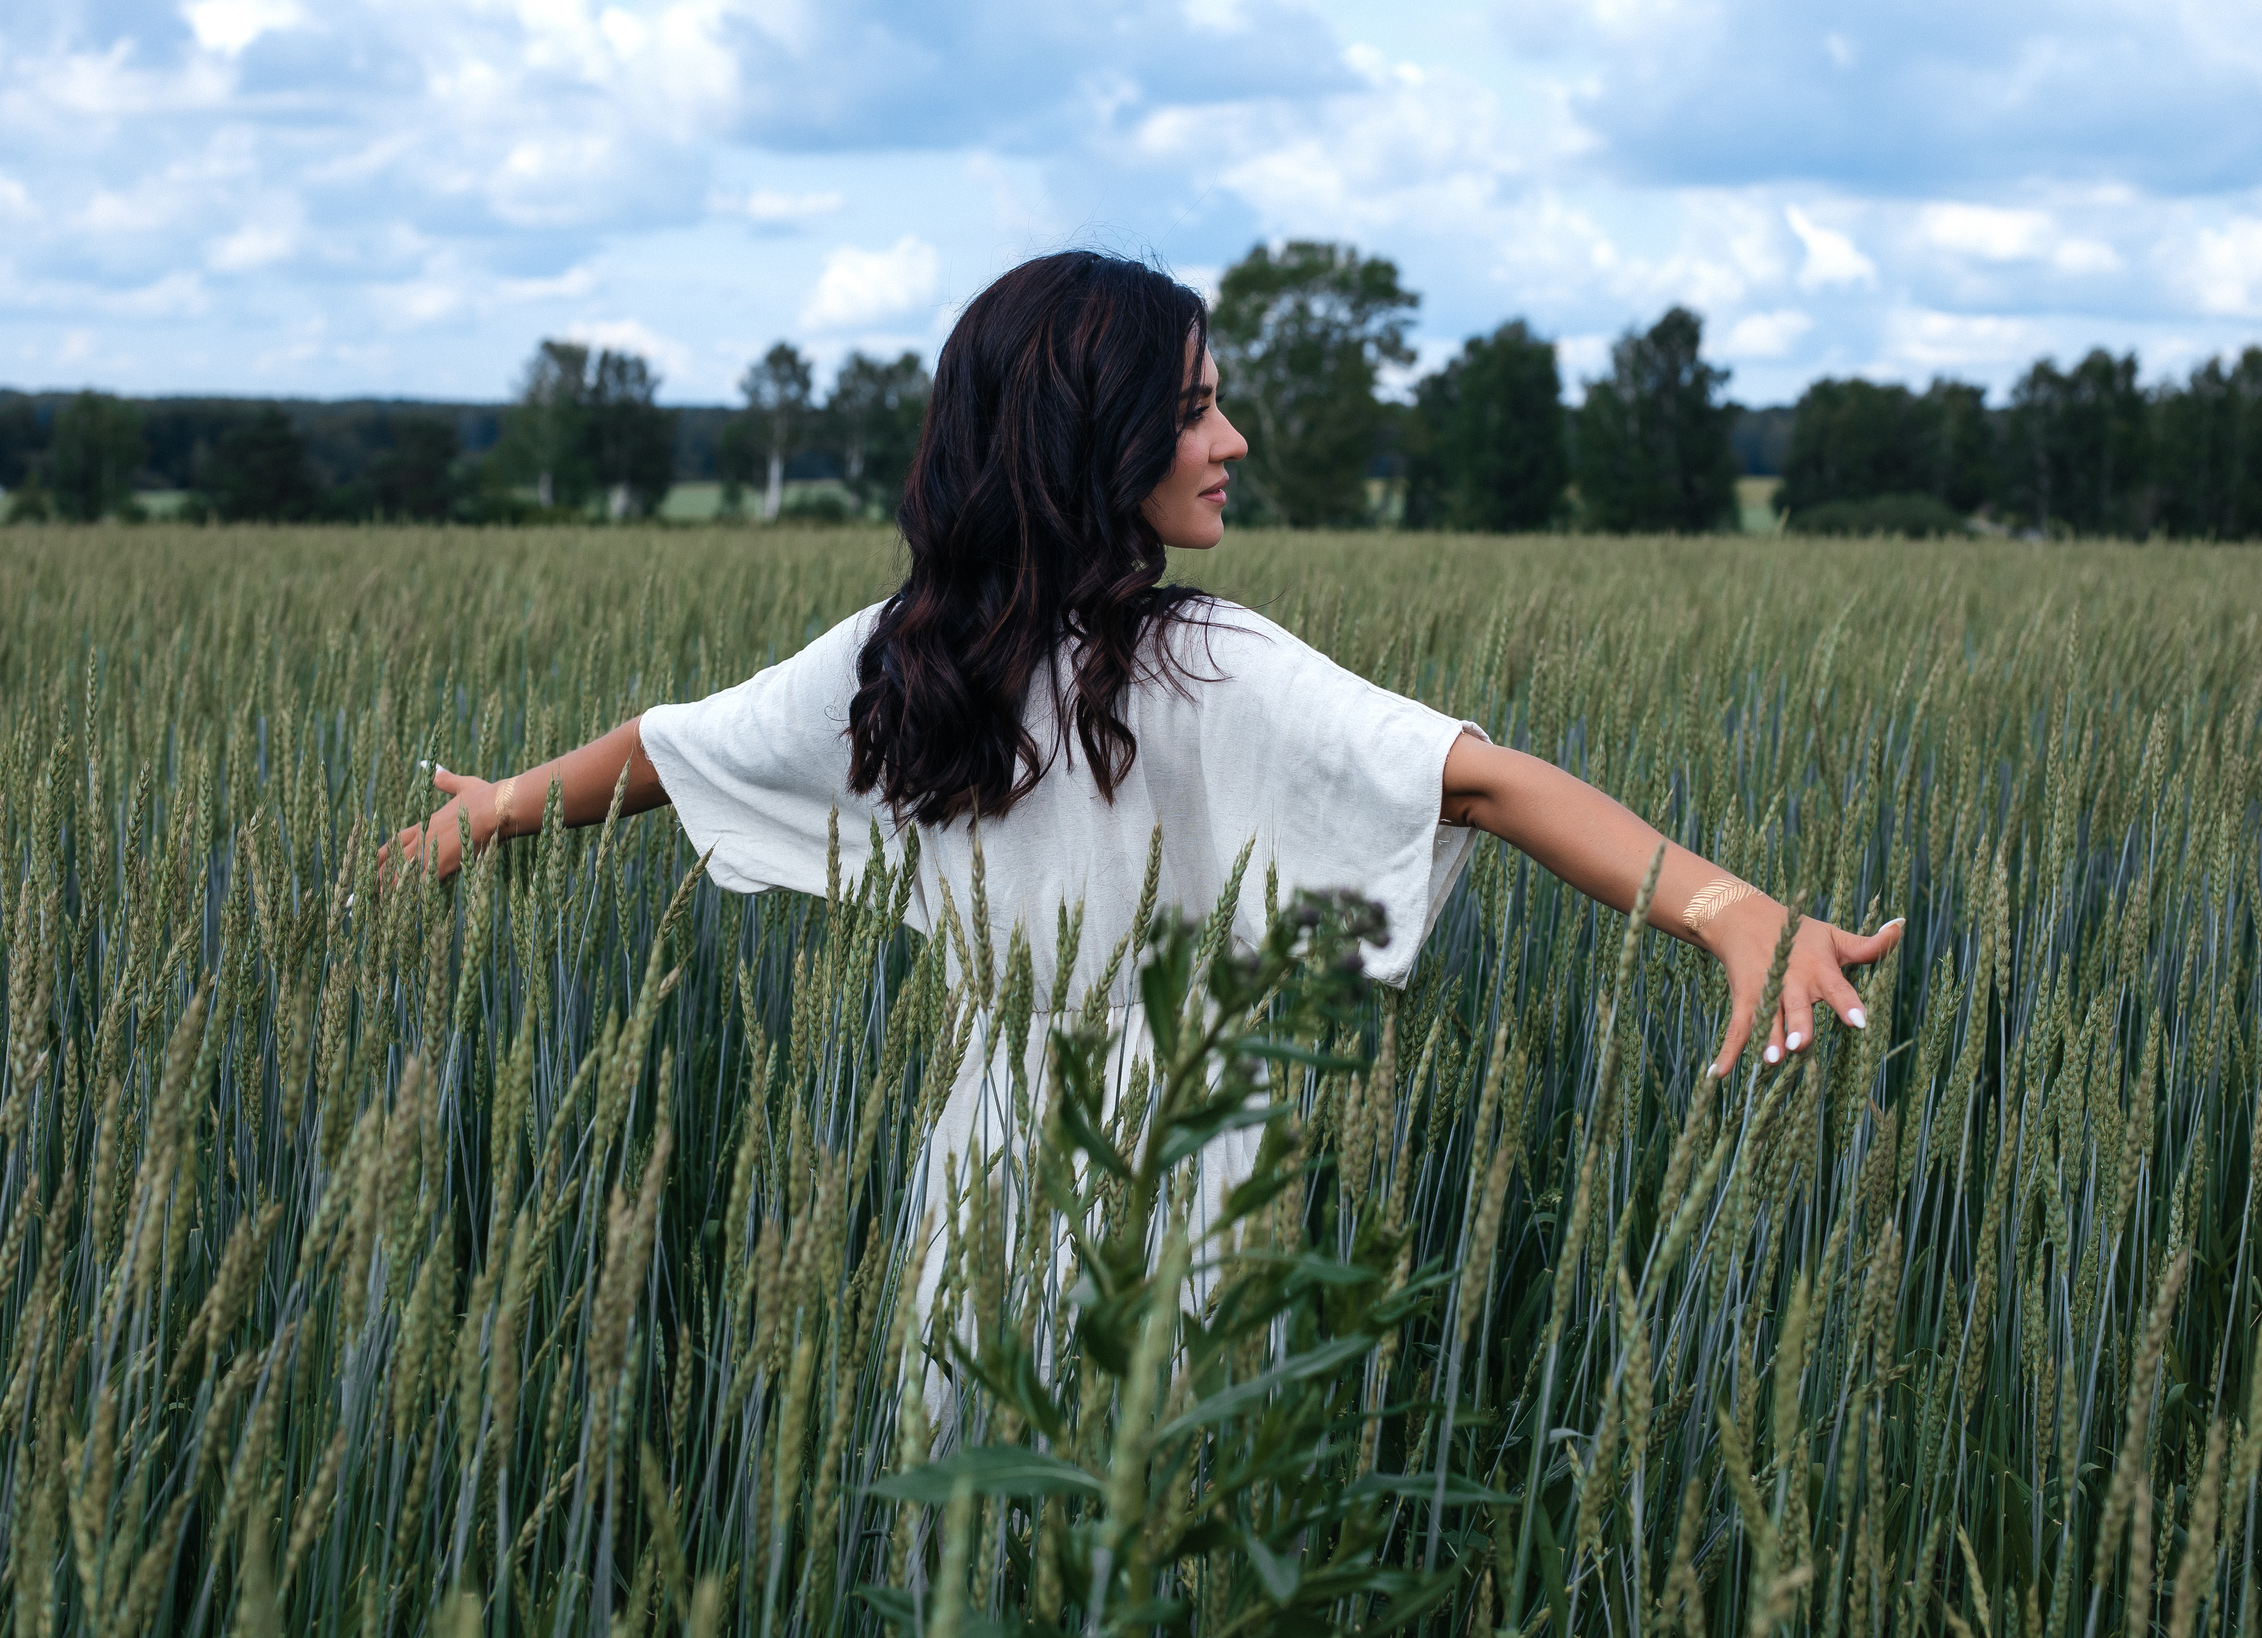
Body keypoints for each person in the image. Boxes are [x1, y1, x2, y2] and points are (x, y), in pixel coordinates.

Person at [386, 250, 1900, 1310]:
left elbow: (667, 747)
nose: (1230, 439)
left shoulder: (906, 656)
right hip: (1185, 1175)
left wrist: (499, 812)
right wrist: (1734, 913)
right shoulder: (1212, 662)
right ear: (1087, 438)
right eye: (1190, 411)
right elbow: (1484, 787)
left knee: (980, 1563)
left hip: (984, 1169)